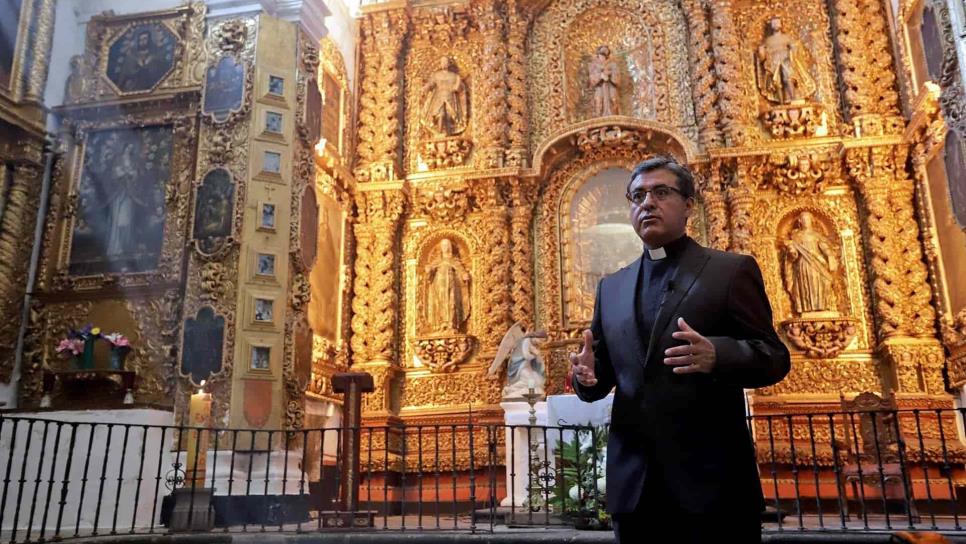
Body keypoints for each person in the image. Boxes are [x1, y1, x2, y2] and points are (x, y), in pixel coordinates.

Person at [569, 155, 791, 543]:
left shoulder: (729, 271)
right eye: (637, 196)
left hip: (713, 489)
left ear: (689, 205)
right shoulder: (612, 288)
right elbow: (601, 379)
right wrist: (586, 377)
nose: (647, 203)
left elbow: (774, 356)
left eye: (660, 192)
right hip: (635, 495)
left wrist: (718, 354)